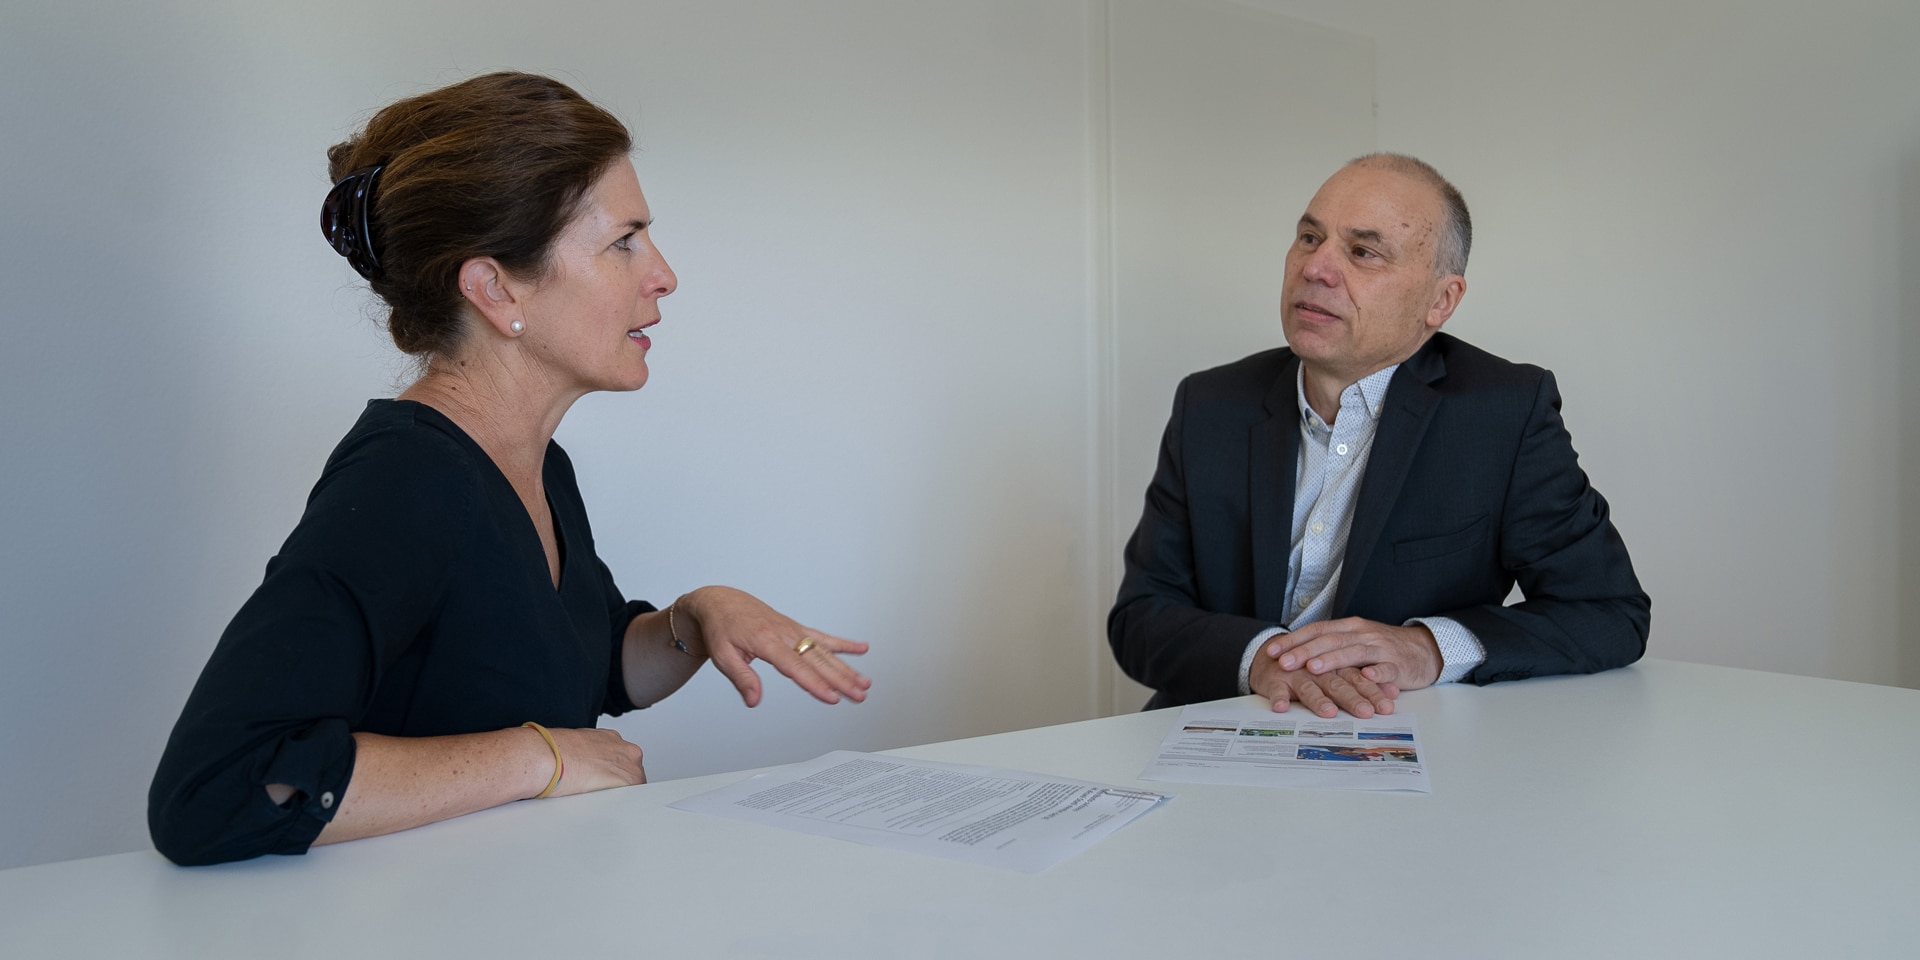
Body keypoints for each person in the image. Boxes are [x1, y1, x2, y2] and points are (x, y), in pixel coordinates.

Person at [148, 72, 870, 866]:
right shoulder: (407, 481)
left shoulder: (533, 462)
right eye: (622, 241)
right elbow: (217, 789)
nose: (662, 274)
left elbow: (588, 667)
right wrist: (540, 758)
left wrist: (696, 618)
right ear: (495, 289)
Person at [1108, 153, 1648, 718]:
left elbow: (1610, 611)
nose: (1316, 268)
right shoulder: (1211, 404)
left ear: (1441, 300)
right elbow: (1140, 616)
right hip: (1223, 731)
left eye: (1363, 252)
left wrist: (1425, 648)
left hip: (1400, 739)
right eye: (1309, 238)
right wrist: (1259, 659)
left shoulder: (1503, 414)